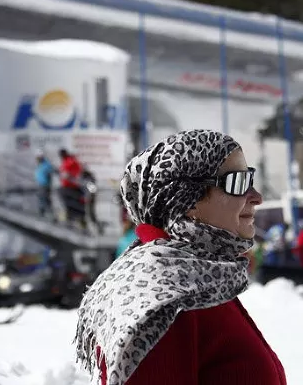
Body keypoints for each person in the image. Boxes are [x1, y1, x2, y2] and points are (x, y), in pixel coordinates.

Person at [74, 129, 286, 385]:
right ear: (187, 198)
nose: (256, 197)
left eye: (250, 178)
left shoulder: (196, 277)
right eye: (237, 182)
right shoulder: (163, 295)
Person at [57, 149, 85, 227]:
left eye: (62, 155)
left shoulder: (71, 161)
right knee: (67, 202)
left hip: (72, 186)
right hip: (66, 186)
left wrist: (70, 174)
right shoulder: (65, 161)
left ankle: (79, 219)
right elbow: (63, 172)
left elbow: (77, 171)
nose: (61, 157)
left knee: (75, 202)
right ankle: (70, 218)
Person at [34, 150, 56, 219]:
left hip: (45, 185)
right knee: (41, 198)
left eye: (38, 158)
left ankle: (51, 214)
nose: (37, 160)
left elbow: (51, 172)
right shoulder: (40, 165)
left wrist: (48, 183)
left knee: (46, 199)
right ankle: (41, 213)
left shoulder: (46, 164)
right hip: (40, 184)